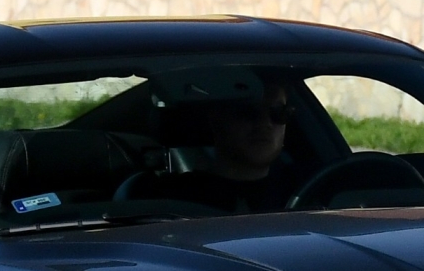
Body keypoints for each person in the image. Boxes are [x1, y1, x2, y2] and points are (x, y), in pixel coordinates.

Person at [129, 85, 302, 213]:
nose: (265, 124)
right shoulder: (165, 198)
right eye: (248, 111)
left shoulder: (307, 191)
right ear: (216, 119)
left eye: (279, 113)